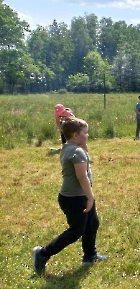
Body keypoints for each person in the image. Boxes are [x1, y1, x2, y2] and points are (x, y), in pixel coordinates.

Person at [32, 117, 108, 275]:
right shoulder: (76, 151)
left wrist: (82, 139)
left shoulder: (68, 147)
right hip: (75, 198)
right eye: (85, 133)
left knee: (92, 223)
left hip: (77, 196)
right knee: (76, 231)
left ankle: (89, 255)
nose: (87, 135)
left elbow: (85, 153)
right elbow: (82, 177)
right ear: (75, 135)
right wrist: (90, 198)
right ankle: (43, 253)